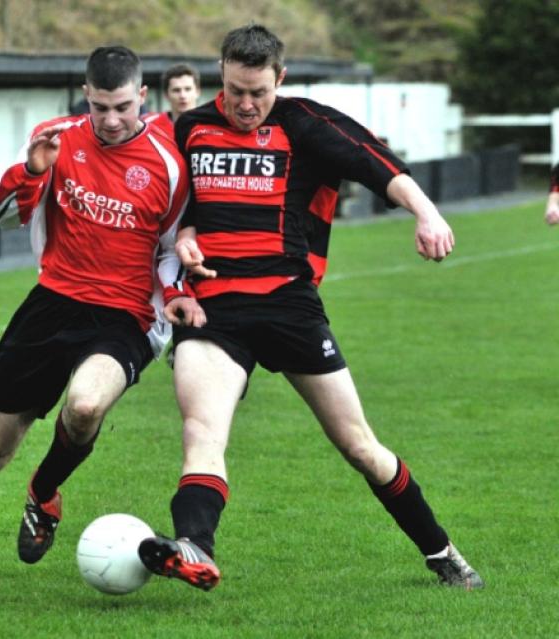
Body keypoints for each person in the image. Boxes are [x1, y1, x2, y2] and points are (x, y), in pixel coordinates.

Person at [137, 24, 484, 592]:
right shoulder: (190, 128)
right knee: (201, 430)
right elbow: (177, 212)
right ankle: (194, 547)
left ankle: (441, 552)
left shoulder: (303, 122)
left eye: (259, 93)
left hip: (289, 306)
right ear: (219, 76)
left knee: (359, 446)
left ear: (282, 78)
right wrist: (186, 239)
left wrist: (426, 213)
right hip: (215, 311)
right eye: (234, 92)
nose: (246, 105)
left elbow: (378, 165)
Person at [0, 46, 203, 580]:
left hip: (123, 316)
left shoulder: (169, 162)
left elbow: (170, 247)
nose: (111, 120)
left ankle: (44, 491)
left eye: (123, 107)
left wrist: (176, 291)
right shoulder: (55, 138)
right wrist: (32, 171)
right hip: (51, 304)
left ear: (143, 98)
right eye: (101, 106)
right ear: (86, 94)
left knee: (85, 408)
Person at [142, 63, 201, 138]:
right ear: (166, 95)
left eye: (188, 89)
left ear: (198, 91)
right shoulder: (148, 125)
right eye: (176, 90)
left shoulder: (211, 125)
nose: (182, 95)